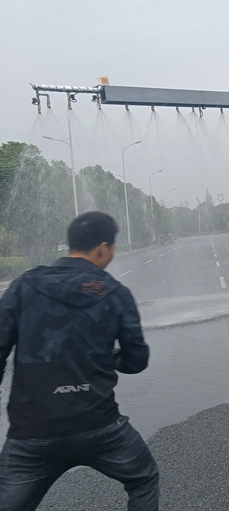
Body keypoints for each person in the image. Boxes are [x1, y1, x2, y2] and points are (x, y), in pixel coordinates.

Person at [0, 211, 159, 510]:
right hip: (99, 426)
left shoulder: (24, 286)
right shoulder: (115, 292)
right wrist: (104, 358)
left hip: (31, 430)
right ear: (102, 247)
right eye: (112, 248)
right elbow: (136, 360)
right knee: (144, 478)